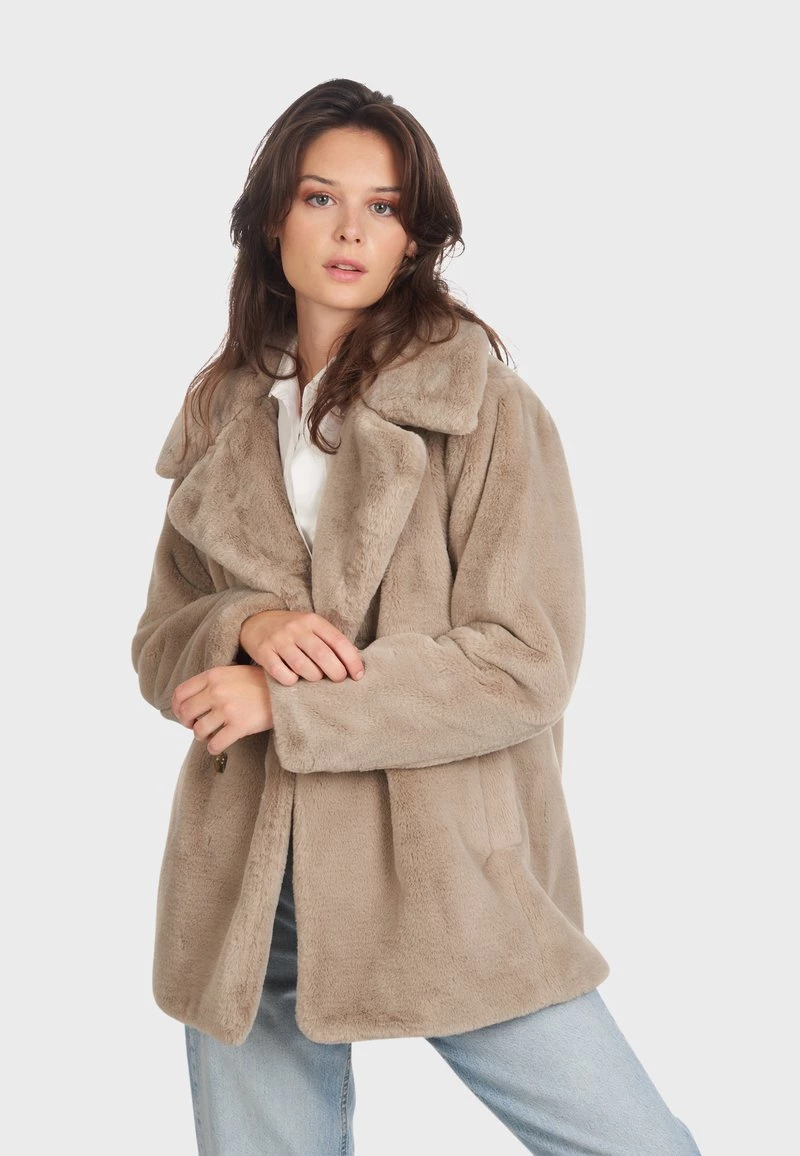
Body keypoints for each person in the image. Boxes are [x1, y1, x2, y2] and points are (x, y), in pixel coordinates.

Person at [131, 78, 702, 1155]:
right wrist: (244, 624)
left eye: (383, 206)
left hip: (443, 866)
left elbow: (523, 662)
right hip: (251, 870)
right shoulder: (220, 416)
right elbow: (162, 639)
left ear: (414, 237)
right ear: (273, 219)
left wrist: (288, 703)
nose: (350, 230)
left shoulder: (483, 410)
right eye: (320, 198)